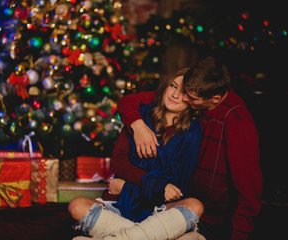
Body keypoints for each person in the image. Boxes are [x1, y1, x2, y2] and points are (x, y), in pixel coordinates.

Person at [116, 56, 263, 239]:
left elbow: (249, 190)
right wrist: (137, 125)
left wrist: (239, 235)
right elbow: (128, 101)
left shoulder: (237, 123)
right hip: (179, 206)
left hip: (209, 219)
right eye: (180, 90)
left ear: (215, 99)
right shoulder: (197, 99)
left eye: (190, 96)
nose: (182, 97)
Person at [68, 68, 205, 240]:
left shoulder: (191, 132)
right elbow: (118, 162)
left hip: (161, 210)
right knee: (77, 205)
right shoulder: (139, 117)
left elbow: (175, 190)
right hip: (121, 205)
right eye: (173, 86)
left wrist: (125, 188)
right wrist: (153, 186)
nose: (175, 95)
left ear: (192, 99)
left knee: (194, 206)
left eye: (184, 92)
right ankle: (149, 236)